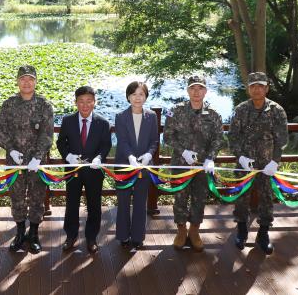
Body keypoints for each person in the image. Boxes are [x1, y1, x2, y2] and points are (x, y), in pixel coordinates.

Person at [0, 65, 54, 254]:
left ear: (35, 81)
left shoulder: (44, 105)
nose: (26, 82)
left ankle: (34, 234)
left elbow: (47, 135)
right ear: (18, 81)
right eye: (23, 79)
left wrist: (38, 157)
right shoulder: (9, 104)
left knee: (37, 198)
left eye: (30, 79)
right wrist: (11, 150)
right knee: (17, 197)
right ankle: (20, 233)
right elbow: (0, 131)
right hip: (15, 162)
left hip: (36, 163)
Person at [229, 71, 288, 254]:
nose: (257, 89)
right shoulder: (241, 110)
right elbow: (233, 137)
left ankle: (263, 232)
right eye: (253, 86)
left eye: (260, 86)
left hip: (267, 166)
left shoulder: (277, 110)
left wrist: (275, 162)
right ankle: (241, 229)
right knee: (241, 196)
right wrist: (240, 157)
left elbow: (282, 139)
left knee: (266, 198)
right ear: (248, 89)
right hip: (245, 164)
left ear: (267, 88)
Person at [163, 75, 223, 252]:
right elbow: (167, 136)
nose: (196, 92)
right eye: (193, 88)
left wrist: (211, 158)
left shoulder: (214, 114)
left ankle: (194, 231)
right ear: (188, 90)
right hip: (181, 164)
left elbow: (218, 139)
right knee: (180, 197)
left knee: (199, 198)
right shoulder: (175, 110)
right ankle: (181, 230)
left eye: (200, 88)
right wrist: (183, 151)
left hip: (203, 166)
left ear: (205, 91)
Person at [56, 86, 112, 254]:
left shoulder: (103, 122)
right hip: (73, 170)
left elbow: (106, 145)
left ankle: (92, 238)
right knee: (71, 203)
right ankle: (71, 236)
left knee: (94, 204)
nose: (85, 105)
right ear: (76, 102)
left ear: (95, 102)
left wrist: (99, 157)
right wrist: (68, 156)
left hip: (94, 171)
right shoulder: (68, 120)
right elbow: (61, 143)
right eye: (81, 101)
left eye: (89, 101)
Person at [114, 81, 159, 250]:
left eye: (141, 94)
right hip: (125, 165)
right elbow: (123, 141)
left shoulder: (152, 116)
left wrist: (148, 154)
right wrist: (131, 157)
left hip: (145, 166)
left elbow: (154, 140)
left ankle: (138, 237)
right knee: (123, 201)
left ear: (146, 96)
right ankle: (123, 236)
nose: (137, 97)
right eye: (134, 94)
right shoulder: (120, 116)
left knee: (141, 201)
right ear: (128, 97)